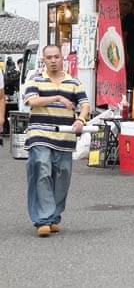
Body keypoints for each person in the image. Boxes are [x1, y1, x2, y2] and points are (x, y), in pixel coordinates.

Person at [23, 45, 90, 237]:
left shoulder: (73, 82)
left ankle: (53, 216)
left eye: (56, 57)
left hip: (65, 137)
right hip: (39, 135)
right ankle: (43, 220)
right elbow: (32, 101)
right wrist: (58, 97)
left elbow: (85, 105)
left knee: (62, 177)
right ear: (43, 60)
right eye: (49, 57)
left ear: (63, 58)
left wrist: (80, 119)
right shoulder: (35, 79)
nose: (53, 60)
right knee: (42, 170)